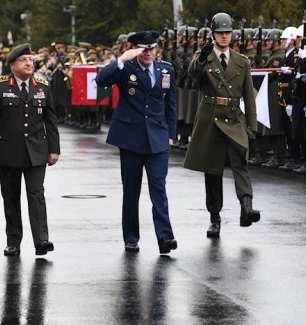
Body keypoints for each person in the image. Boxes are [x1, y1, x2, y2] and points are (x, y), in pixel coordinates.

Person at [95, 30, 178, 254]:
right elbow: (101, 80)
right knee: (131, 191)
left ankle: (165, 237)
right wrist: (121, 60)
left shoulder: (166, 70)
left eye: (152, 48)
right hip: (131, 138)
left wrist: (171, 134)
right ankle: (131, 237)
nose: (148, 53)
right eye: (143, 49)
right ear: (135, 50)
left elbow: (171, 104)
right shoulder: (126, 69)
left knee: (158, 189)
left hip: (158, 139)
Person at [183, 12, 260, 238]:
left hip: (235, 118)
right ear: (213, 34)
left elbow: (249, 95)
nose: (224, 36)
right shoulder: (204, 57)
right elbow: (193, 75)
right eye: (220, 33)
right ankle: (214, 218)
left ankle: (246, 207)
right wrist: (201, 58)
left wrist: (252, 126)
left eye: (227, 33)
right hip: (211, 118)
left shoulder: (241, 61)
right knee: (213, 170)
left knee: (240, 162)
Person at [0, 43, 60, 257]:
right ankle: (13, 241)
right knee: (11, 197)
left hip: (36, 151)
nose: (29, 63)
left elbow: (51, 120)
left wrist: (54, 149)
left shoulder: (42, 86)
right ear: (13, 64)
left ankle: (42, 241)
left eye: (31, 60)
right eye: (24, 60)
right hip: (8, 152)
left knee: (37, 195)